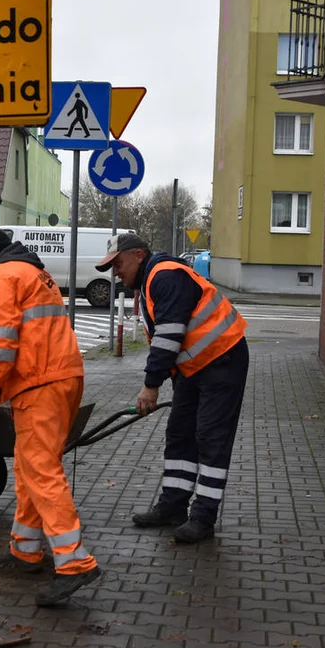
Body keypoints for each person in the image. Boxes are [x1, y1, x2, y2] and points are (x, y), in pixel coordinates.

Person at [0, 225, 102, 606]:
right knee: (30, 469)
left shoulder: (0, 278)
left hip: (39, 384)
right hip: (62, 377)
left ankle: (74, 562)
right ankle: (25, 549)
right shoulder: (32, 273)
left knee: (42, 472)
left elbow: (0, 342)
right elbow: (18, 325)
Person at [95, 233, 249, 543]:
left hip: (223, 359)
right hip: (196, 368)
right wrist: (176, 382)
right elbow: (176, 341)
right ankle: (173, 506)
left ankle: (203, 518)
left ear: (138, 255)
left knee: (210, 437)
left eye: (118, 263)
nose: (116, 272)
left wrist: (151, 385)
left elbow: (168, 336)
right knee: (180, 432)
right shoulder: (153, 279)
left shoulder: (164, 275)